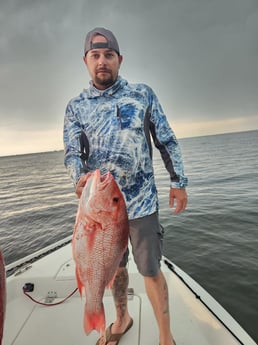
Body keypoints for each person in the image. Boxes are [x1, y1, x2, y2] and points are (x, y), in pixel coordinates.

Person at [63, 27, 188, 345]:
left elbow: (165, 139)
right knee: (114, 269)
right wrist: (77, 176)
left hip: (142, 202)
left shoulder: (142, 94)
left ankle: (165, 336)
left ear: (119, 59)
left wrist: (178, 182)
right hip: (100, 211)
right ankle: (122, 318)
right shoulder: (75, 108)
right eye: (95, 56)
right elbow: (73, 153)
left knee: (150, 269)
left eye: (108, 55)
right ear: (86, 61)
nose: (102, 61)